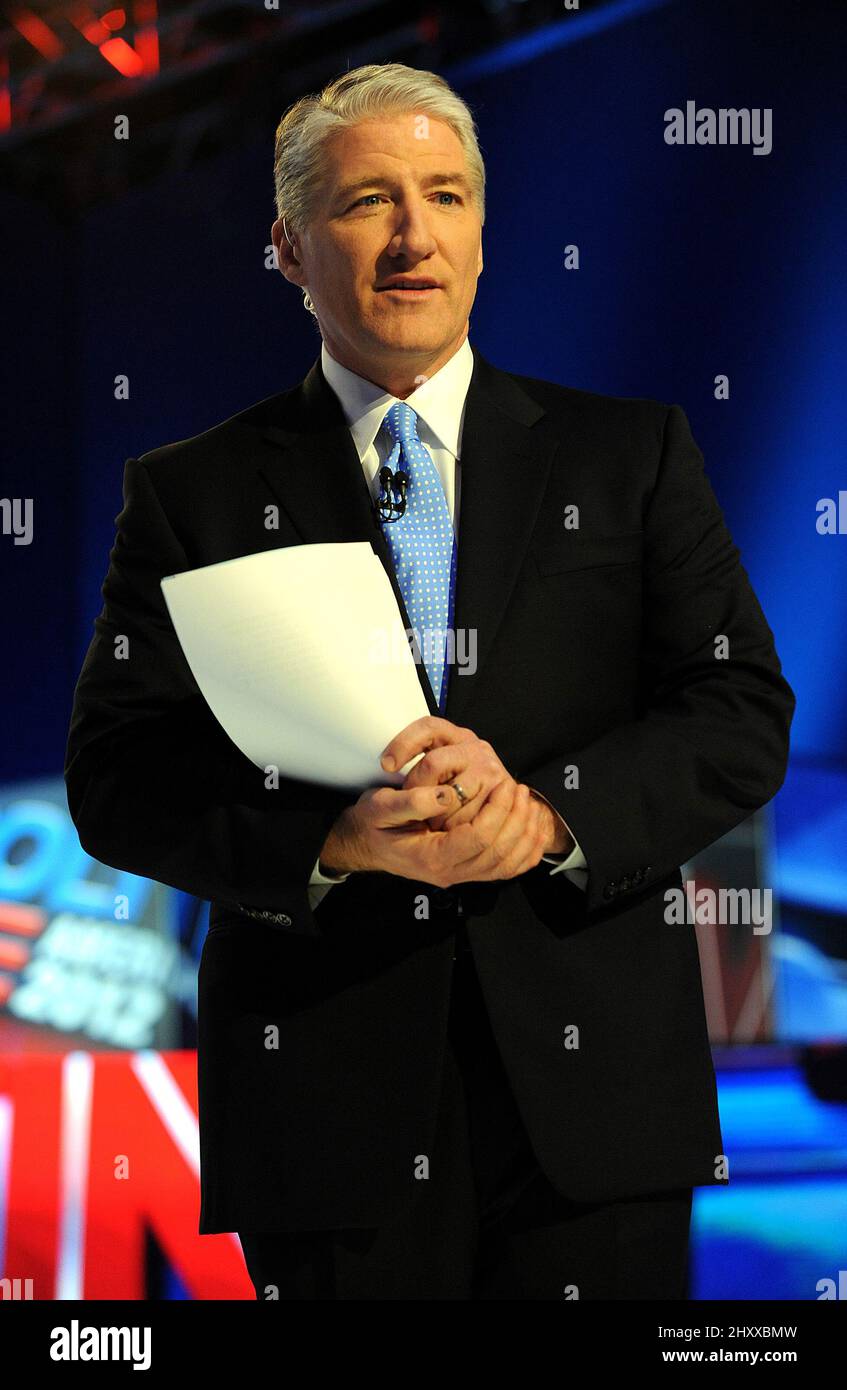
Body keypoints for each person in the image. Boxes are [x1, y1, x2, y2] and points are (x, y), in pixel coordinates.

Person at [64, 62, 795, 1300]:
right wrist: (330, 841)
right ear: (290, 250)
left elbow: (738, 713)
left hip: (596, 1107)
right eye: (368, 204)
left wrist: (550, 815)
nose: (414, 236)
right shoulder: (189, 493)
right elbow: (118, 775)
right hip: (326, 1115)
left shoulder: (630, 454)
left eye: (444, 197)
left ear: (480, 230)